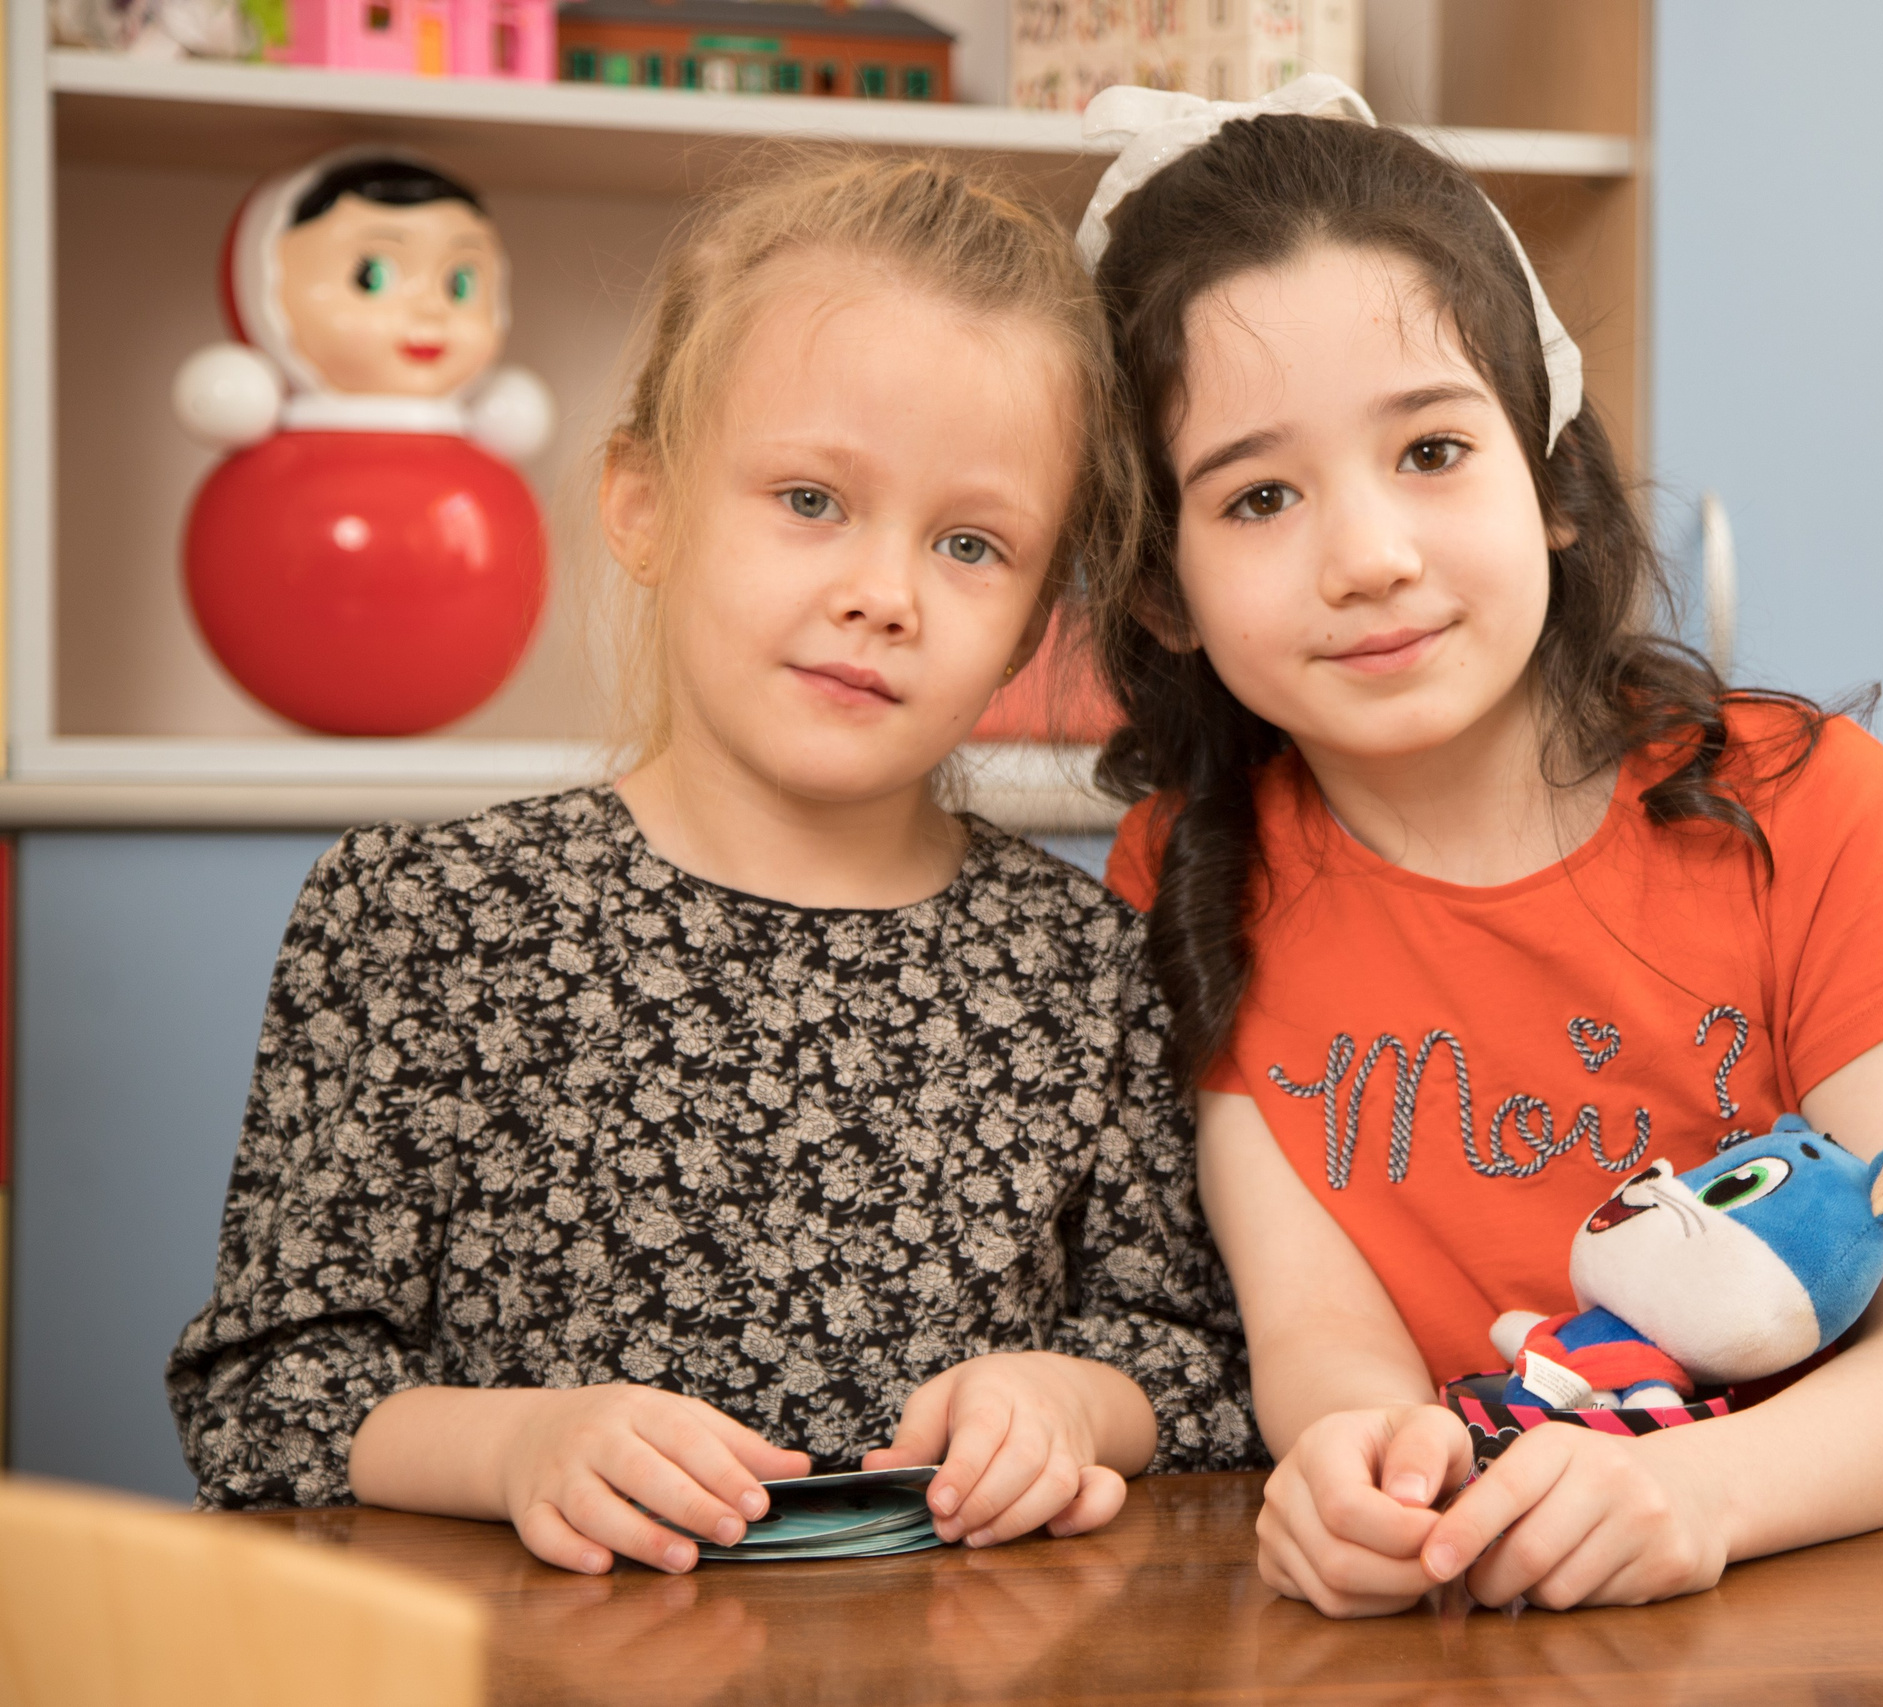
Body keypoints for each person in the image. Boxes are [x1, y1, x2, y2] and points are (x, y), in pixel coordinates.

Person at [167, 149, 1257, 1576]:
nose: (883, 593)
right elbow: (263, 1396)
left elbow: (1194, 1364)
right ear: (643, 503)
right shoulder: (422, 916)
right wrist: (516, 1448)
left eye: (971, 544)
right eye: (810, 499)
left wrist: (1073, 1404)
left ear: (1031, 621)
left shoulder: (1089, 968)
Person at [1079, 81, 1883, 1616]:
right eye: (1259, 495)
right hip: (1469, 1616)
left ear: (1553, 479)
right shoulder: (1190, 871)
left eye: (1431, 451)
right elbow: (1318, 1330)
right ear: (1162, 591)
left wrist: (1696, 1497)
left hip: (1820, 1619)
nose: (1369, 556)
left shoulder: (1814, 811)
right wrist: (1356, 1467)